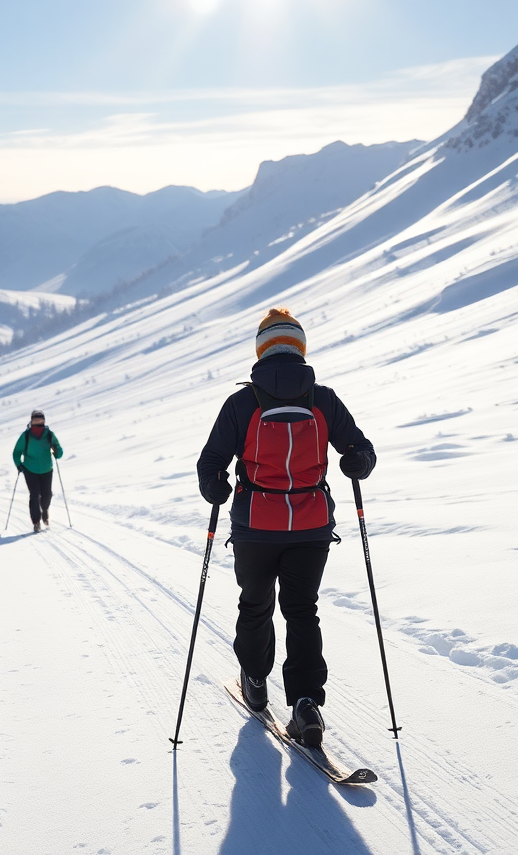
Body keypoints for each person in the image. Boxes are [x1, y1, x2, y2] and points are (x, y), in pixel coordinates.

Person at [196, 308, 375, 747]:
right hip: (311, 525)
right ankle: (306, 703)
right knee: (301, 609)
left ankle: (255, 680)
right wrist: (356, 460)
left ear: (261, 351)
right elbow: (361, 451)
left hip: (256, 526)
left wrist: (215, 486)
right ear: (300, 349)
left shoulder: (242, 403)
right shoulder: (324, 399)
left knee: (255, 604)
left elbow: (210, 464)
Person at [12, 410, 64, 532]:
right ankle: (36, 521)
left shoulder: (49, 435)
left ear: (44, 421)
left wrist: (58, 452)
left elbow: (58, 449)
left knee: (47, 494)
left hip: (46, 469)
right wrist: (19, 465)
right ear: (31, 421)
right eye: (35, 419)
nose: (37, 421)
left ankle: (44, 510)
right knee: (34, 495)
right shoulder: (26, 436)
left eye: (40, 419)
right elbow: (16, 452)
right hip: (30, 469)